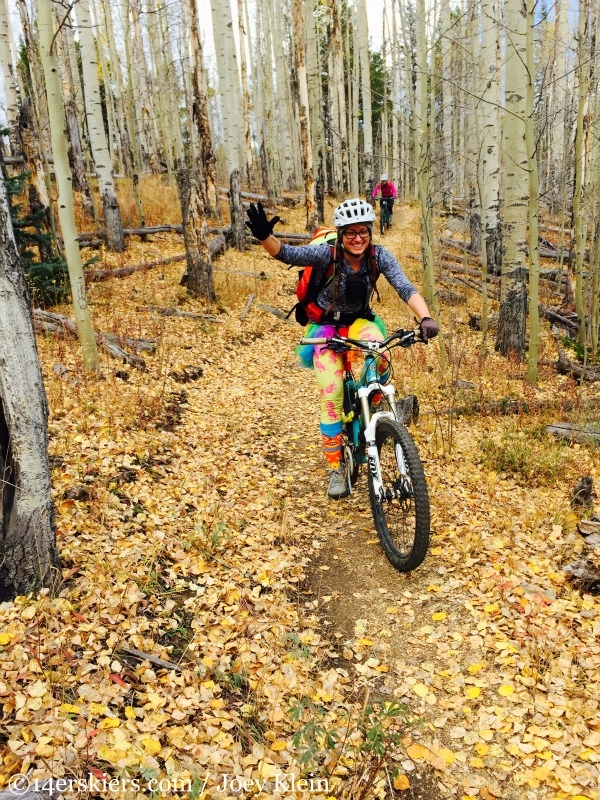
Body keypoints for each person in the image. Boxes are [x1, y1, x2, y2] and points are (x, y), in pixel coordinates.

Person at [245, 198, 439, 500]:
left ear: (371, 232)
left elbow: (405, 287)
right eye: (350, 232)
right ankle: (336, 468)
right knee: (333, 392)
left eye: (363, 231)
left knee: (382, 354)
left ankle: (373, 403)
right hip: (326, 329)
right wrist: (264, 237)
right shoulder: (326, 255)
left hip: (360, 322)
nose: (358, 238)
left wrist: (425, 316)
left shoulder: (379, 256)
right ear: (341, 233)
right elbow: (288, 254)